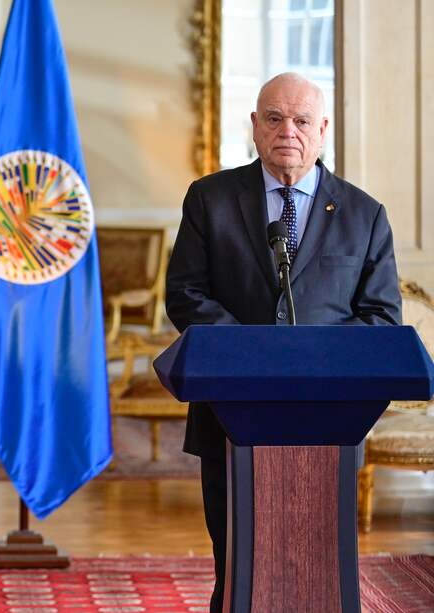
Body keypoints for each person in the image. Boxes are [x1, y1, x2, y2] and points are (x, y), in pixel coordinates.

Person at [165, 72, 401, 612]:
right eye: (273, 118)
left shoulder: (365, 216)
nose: (286, 131)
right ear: (254, 126)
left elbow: (383, 317)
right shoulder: (210, 200)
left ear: (322, 130)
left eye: (300, 121)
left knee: (319, 568)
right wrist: (250, 359)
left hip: (331, 421)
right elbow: (184, 294)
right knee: (237, 569)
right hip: (228, 416)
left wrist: (312, 360)